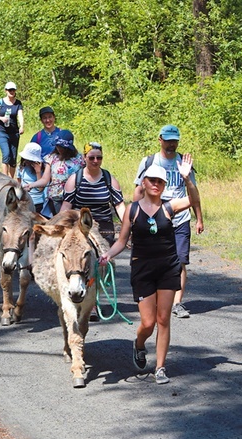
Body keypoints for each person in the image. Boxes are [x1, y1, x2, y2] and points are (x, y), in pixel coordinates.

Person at [99, 157, 197, 384]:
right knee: (148, 323)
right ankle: (140, 344)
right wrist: (108, 254)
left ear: (164, 186)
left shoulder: (169, 207)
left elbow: (193, 200)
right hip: (142, 270)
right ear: (144, 182)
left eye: (160, 182)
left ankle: (160, 368)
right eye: (152, 180)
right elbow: (122, 241)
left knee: (164, 319)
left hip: (168, 268)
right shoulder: (132, 210)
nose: (156, 184)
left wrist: (186, 178)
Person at [133, 124, 204, 319]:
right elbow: (139, 191)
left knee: (180, 260)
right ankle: (156, 296)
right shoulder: (149, 162)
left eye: (175, 140)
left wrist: (199, 218)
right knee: (155, 258)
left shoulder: (184, 163)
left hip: (181, 218)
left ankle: (177, 303)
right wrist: (134, 218)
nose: (172, 144)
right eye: (168, 140)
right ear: (160, 140)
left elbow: (194, 194)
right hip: (155, 218)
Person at [61, 142, 125, 246]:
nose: (95, 161)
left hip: (104, 227)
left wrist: (128, 226)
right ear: (84, 158)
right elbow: (66, 207)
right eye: (91, 158)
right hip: (81, 226)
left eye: (99, 158)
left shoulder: (109, 179)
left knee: (103, 258)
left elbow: (119, 206)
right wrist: (60, 226)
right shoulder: (74, 179)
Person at [24, 129, 83, 217]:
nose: (59, 149)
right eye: (58, 146)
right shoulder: (51, 158)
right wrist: (32, 185)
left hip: (75, 197)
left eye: (62, 147)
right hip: (56, 198)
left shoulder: (79, 159)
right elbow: (45, 179)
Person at [0, 81, 24, 177]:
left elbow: (20, 115)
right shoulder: (0, 103)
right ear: (6, 91)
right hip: (2, 132)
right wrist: (1, 118)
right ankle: (4, 178)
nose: (11, 92)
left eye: (13, 90)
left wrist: (22, 126)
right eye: (9, 90)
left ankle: (11, 179)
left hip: (14, 133)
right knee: (6, 154)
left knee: (13, 158)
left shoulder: (18, 103)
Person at [16, 142, 46, 212]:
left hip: (37, 201)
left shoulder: (41, 169)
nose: (27, 161)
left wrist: (38, 172)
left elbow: (40, 189)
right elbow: (19, 182)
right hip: (24, 199)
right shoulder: (21, 168)